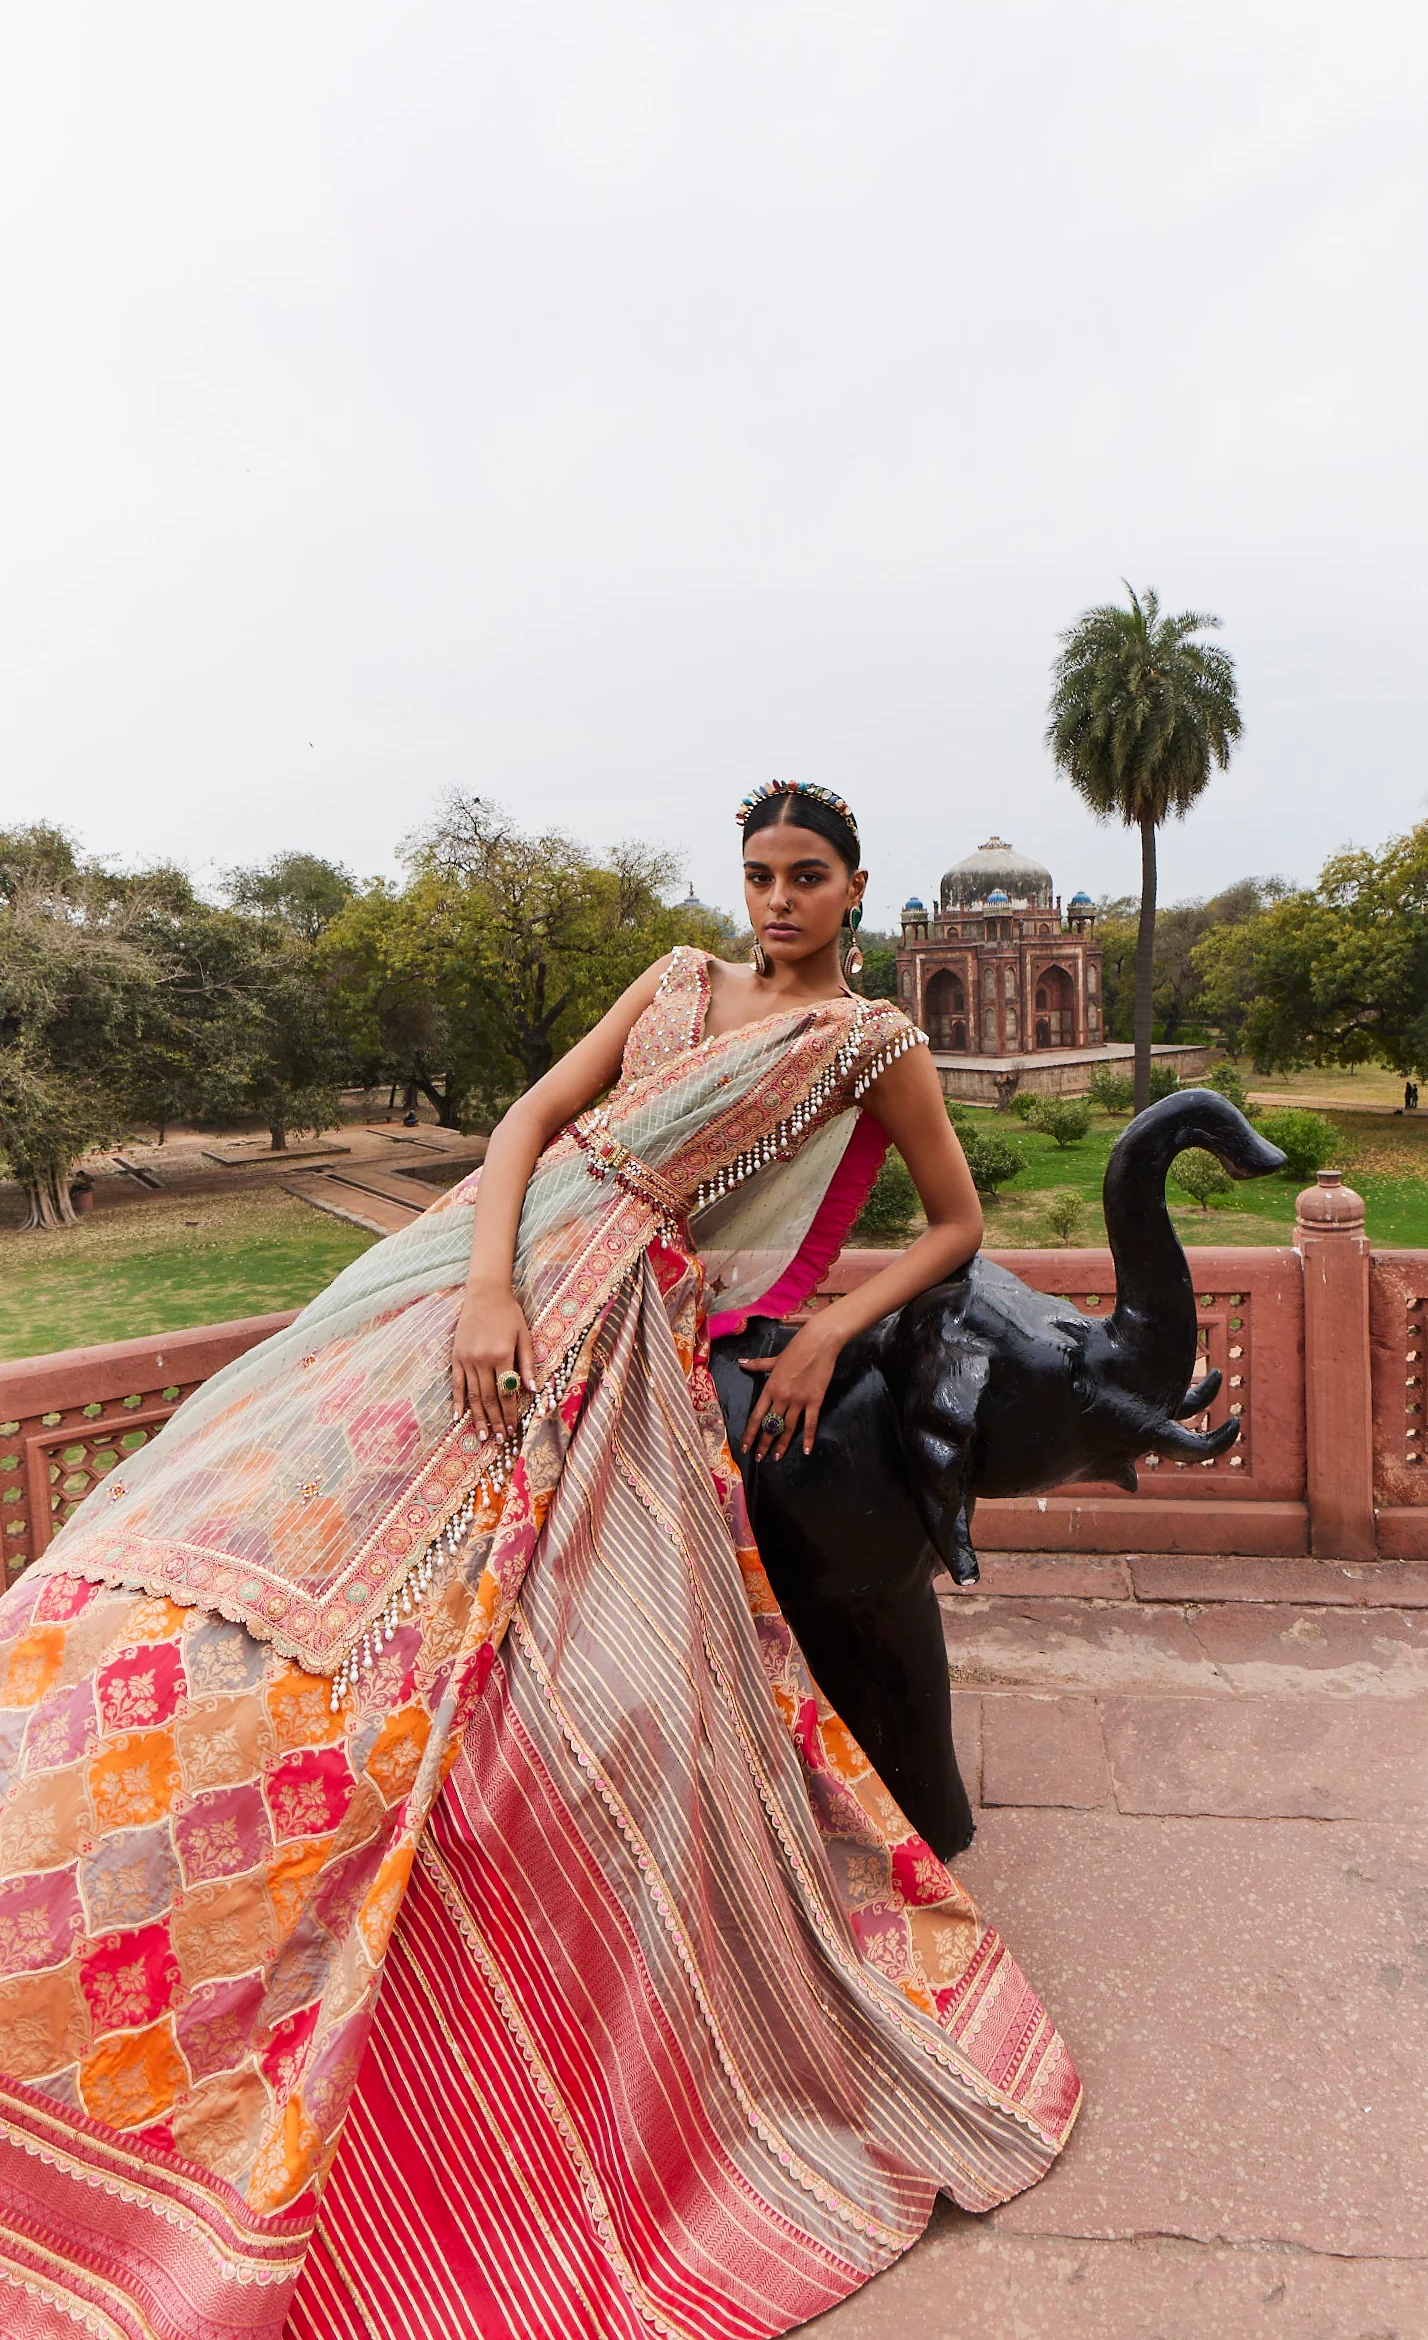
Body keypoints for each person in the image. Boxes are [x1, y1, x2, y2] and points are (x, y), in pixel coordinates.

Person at [0, 782, 1078, 2340]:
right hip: (478, 1268)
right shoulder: (670, 982)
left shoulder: (870, 1046)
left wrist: (824, 1328)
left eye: (808, 878)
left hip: (629, 1310)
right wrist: (484, 1288)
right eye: (761, 874)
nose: (777, 901)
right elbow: (526, 1123)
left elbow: (955, 1224)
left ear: (857, 893)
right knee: (267, 1490)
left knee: (551, 1621)